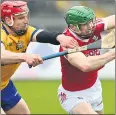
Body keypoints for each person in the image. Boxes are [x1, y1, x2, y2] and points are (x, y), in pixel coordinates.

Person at [1, 1, 78, 114]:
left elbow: (42, 35)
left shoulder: (24, 32)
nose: (26, 21)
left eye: (26, 16)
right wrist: (25, 56)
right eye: (21, 18)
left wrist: (60, 37)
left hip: (4, 85)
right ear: (8, 20)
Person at [58, 6, 115, 114]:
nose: (91, 26)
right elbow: (86, 65)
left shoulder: (94, 26)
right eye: (85, 24)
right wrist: (113, 54)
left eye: (91, 21)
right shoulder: (68, 42)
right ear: (73, 27)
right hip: (73, 95)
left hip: (94, 87)